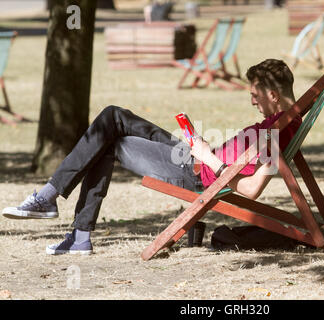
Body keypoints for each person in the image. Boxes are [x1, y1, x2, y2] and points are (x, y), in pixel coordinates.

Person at [2, 59, 302, 255]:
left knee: (108, 135)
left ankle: (59, 209)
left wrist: (209, 158)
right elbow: (241, 163)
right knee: (113, 116)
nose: (251, 100)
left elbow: (251, 190)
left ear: (272, 95)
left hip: (195, 173)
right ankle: (66, 219)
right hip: (194, 159)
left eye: (255, 94)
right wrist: (204, 148)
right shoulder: (286, 122)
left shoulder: (273, 135)